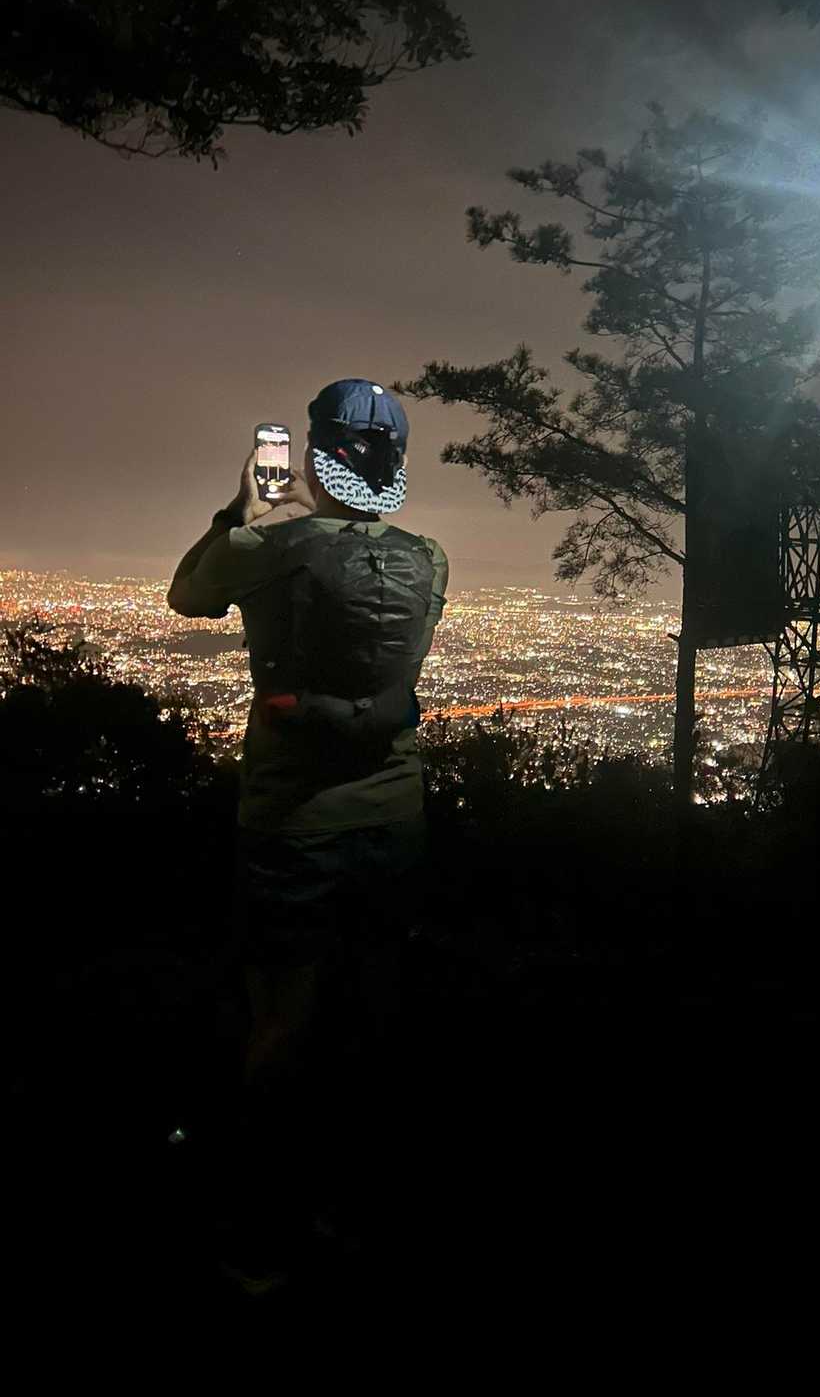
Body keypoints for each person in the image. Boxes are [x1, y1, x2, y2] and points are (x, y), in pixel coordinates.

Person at [167, 378, 449, 1294]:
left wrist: (244, 509)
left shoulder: (271, 547)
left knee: (282, 1022)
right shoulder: (430, 558)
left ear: (315, 459)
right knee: (373, 1010)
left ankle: (262, 1233)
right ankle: (358, 1209)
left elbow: (187, 596)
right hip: (396, 818)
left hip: (294, 823)